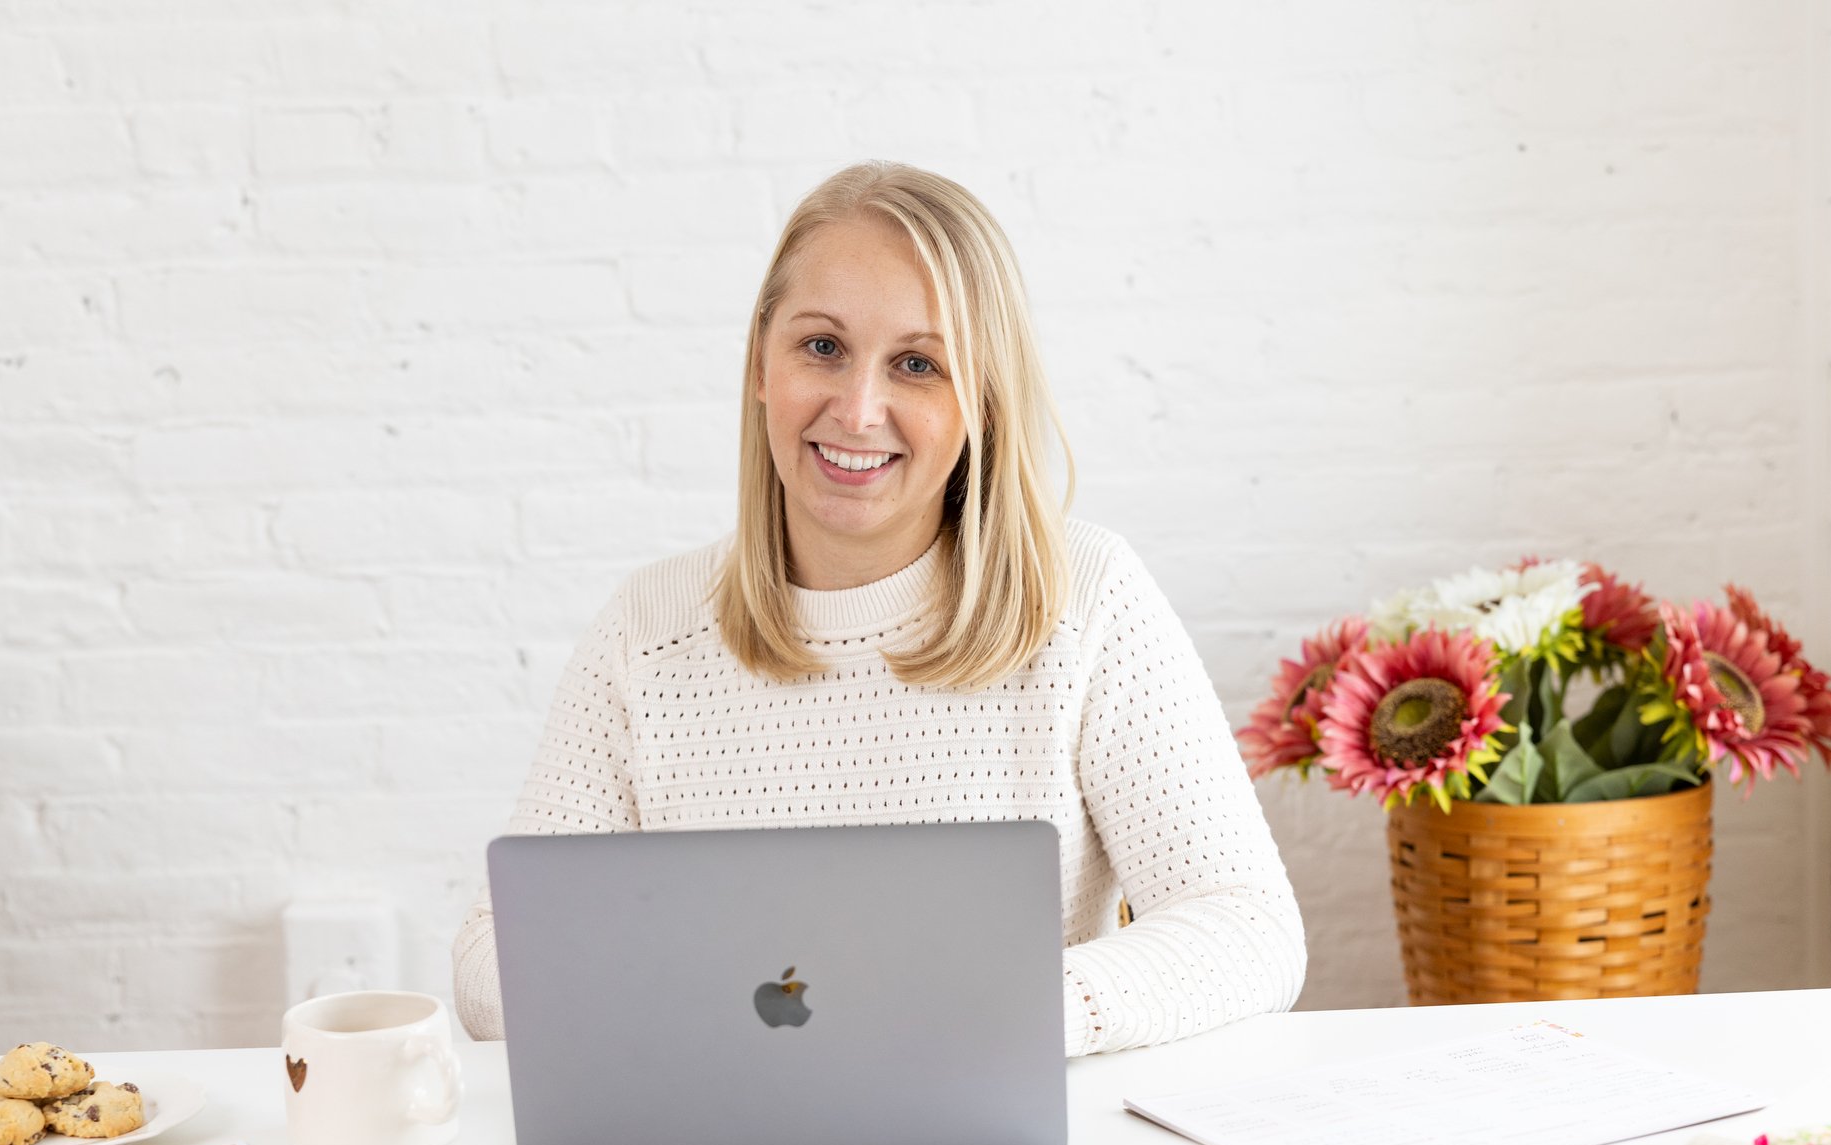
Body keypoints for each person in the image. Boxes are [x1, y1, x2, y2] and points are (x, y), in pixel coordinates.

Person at [452, 161, 1305, 1054]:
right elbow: (489, 960)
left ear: (981, 394)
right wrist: (696, 1013)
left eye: (917, 364)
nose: (858, 411)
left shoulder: (1086, 596)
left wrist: (1001, 1011)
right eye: (822, 347)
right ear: (760, 364)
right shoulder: (651, 627)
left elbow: (1249, 929)